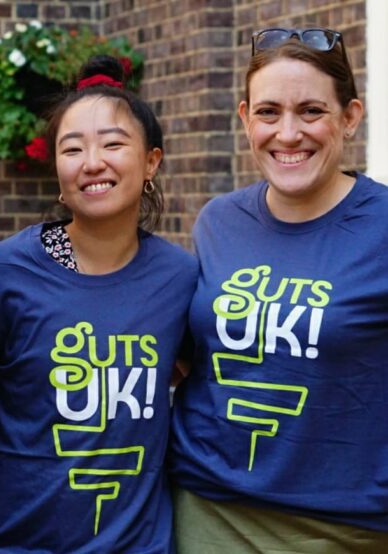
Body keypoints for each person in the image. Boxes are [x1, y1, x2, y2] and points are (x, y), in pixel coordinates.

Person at [169, 27, 388, 552]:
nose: (288, 134)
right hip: (208, 512)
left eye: (311, 111)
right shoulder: (219, 220)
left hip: (347, 527)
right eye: (268, 112)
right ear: (246, 118)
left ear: (350, 117)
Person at [0, 56, 197, 553]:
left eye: (113, 144)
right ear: (57, 169)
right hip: (15, 542)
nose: (92, 162)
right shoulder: (3, 273)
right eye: (72, 148)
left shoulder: (180, 280)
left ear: (151, 162)